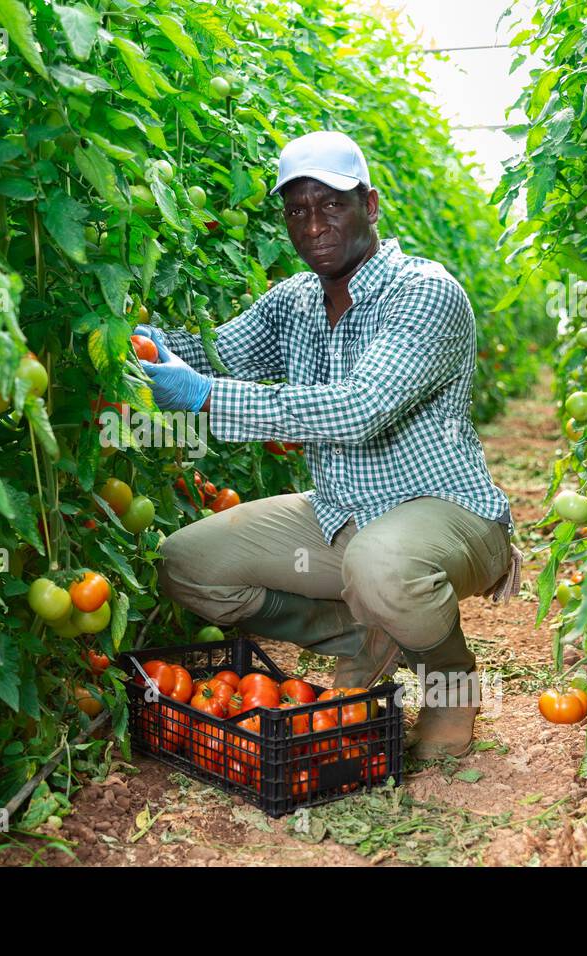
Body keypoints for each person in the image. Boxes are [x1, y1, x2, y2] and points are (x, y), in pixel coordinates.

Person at [135, 129, 520, 759]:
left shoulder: (425, 293)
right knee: (185, 564)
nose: (313, 225)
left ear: (369, 205)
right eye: (297, 210)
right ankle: (363, 636)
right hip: (339, 517)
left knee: (383, 566)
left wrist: (204, 397)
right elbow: (216, 351)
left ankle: (450, 686)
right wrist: (142, 342)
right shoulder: (296, 302)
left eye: (331, 204)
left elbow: (357, 409)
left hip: (450, 518)